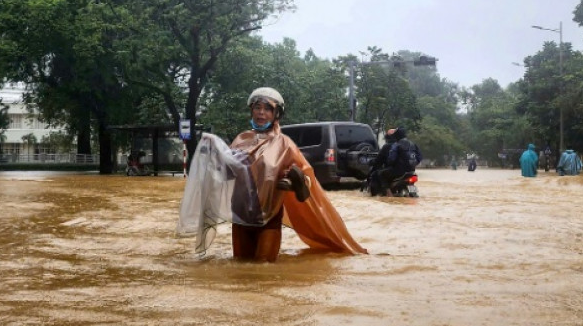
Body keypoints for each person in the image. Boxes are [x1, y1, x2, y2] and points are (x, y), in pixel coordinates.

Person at [177, 87, 367, 262]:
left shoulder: (285, 144)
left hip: (268, 216)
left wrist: (295, 183)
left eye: (267, 109)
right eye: (257, 107)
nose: (261, 112)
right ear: (251, 110)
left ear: (276, 114)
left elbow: (307, 178)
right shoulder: (241, 140)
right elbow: (227, 175)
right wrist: (213, 158)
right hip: (241, 214)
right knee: (241, 268)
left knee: (263, 268)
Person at [379, 127, 419, 195]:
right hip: (412, 171)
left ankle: (389, 195)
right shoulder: (413, 144)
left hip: (399, 171)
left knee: (381, 174)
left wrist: (390, 164)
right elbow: (419, 157)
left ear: (397, 136)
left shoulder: (396, 145)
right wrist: (413, 164)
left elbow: (391, 159)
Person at [366, 129, 397, 196]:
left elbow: (379, 159)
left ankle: (388, 193)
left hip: (392, 170)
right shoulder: (404, 144)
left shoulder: (387, 146)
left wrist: (373, 162)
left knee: (378, 174)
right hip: (406, 170)